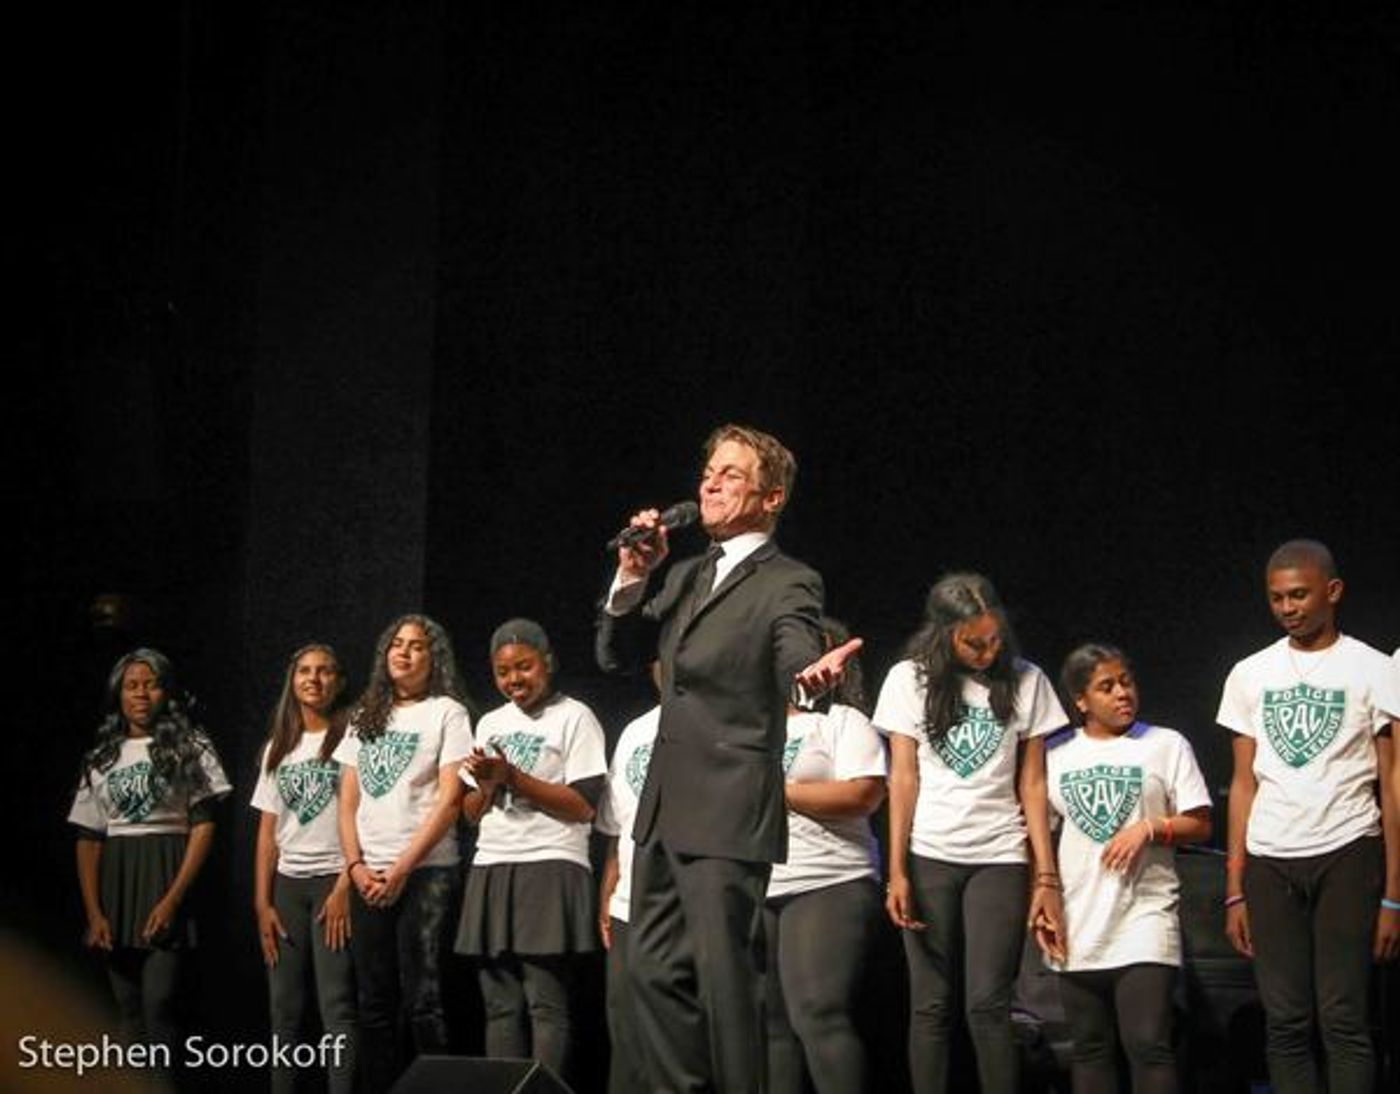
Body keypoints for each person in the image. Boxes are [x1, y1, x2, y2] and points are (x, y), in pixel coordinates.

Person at [595, 422, 857, 1094]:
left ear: (771, 498)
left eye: (731, 474)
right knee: (647, 972)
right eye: (708, 470)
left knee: (725, 982)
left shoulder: (790, 581)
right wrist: (632, 576)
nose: (710, 482)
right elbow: (620, 656)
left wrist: (809, 679)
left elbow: (795, 653)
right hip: (663, 805)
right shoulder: (684, 574)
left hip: (728, 802)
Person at [1219, 539, 1400, 1094]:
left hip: (1348, 849)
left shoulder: (1374, 668)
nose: (1288, 607)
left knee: (1343, 1019)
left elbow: (1390, 782)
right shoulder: (1250, 673)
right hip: (1272, 859)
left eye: (1299, 595)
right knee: (1286, 1022)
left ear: (1333, 591)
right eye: (1277, 598)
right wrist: (1234, 886)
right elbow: (1243, 784)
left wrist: (1394, 892)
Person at [875, 572, 1066, 1094]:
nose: (987, 652)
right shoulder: (906, 680)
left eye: (994, 640)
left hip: (1000, 855)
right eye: (972, 643)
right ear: (943, 635)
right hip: (930, 853)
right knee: (931, 1004)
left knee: (988, 1004)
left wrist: (1045, 876)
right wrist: (895, 870)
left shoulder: (1028, 680)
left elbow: (1033, 783)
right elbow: (903, 778)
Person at [1039, 643, 1212, 1094]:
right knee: (1090, 1047)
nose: (1122, 694)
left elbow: (1200, 824)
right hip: (1079, 917)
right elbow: (1038, 835)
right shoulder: (1055, 756)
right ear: (1080, 701)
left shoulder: (1165, 744)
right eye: (1106, 686)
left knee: (1148, 1042)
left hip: (1144, 913)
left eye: (1126, 682)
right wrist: (1045, 896)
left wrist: (1151, 828)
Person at [456, 619, 607, 1081]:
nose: (514, 680)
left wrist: (514, 777)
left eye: (523, 667)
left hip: (551, 861)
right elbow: (470, 813)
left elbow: (584, 807)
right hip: (494, 863)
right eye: (503, 672)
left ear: (548, 662)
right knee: (499, 1005)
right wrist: (485, 785)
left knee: (546, 1002)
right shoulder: (490, 722)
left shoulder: (575, 716)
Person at [334, 614, 475, 1094]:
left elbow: (450, 798)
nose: (405, 652)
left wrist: (402, 867)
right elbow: (348, 799)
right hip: (367, 873)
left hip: (426, 873)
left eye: (417, 646)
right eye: (397, 644)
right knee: (373, 1001)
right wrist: (355, 866)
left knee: (424, 999)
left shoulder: (447, 712)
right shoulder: (364, 714)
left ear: (433, 657)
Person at [68, 648, 232, 1054]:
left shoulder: (191, 745)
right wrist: (94, 912)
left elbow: (204, 825)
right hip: (117, 886)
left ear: (166, 691)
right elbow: (88, 837)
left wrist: (173, 898)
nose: (141, 694)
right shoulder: (102, 755)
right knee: (126, 1009)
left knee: (160, 1004)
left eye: (151, 684)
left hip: (167, 876)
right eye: (132, 685)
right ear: (118, 694)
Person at [765, 618, 887, 1094]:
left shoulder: (841, 722)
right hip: (762, 880)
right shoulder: (754, 729)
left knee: (818, 1012)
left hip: (828, 879)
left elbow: (863, 794)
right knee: (772, 1025)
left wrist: (777, 792)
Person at [250, 642, 357, 1094]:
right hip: (288, 889)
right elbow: (267, 834)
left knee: (337, 1006)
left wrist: (344, 886)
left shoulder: (353, 737)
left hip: (335, 882)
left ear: (339, 681)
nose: (314, 679)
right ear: (292, 683)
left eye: (325, 671)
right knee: (284, 1009)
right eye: (305, 672)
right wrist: (262, 904)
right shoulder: (279, 747)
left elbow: (362, 819)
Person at [594, 663, 660, 1094]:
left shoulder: (721, 719)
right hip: (629, 904)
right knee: (625, 1024)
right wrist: (609, 893)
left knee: (675, 1029)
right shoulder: (636, 732)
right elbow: (618, 825)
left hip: (687, 904)